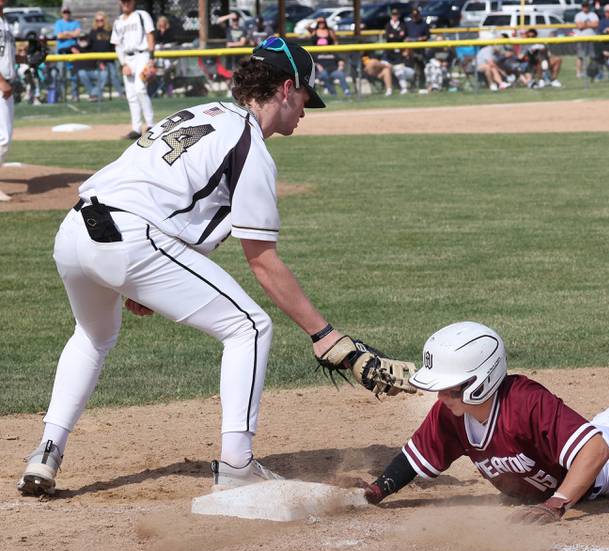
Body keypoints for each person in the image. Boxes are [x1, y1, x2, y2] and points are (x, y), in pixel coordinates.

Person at [16, 38, 415, 498]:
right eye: (306, 97)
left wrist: (139, 278)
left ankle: (46, 452)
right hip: (131, 238)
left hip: (75, 233)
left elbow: (162, 191)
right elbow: (262, 261)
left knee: (93, 335)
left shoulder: (204, 113)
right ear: (287, 89)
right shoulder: (250, 146)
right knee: (250, 327)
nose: (307, 109)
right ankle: (238, 464)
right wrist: (326, 337)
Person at [357, 322, 609, 523]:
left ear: (481, 379)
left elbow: (596, 452)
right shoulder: (452, 415)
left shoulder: (525, 402)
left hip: (602, 472)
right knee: (587, 432)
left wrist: (556, 504)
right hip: (580, 448)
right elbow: (413, 459)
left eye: (450, 388)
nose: (441, 398)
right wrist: (376, 491)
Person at [112, 0, 156, 140]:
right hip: (127, 59)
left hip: (142, 55)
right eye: (123, 1)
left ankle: (151, 125)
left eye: (128, 1)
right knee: (131, 95)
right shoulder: (118, 21)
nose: (125, 3)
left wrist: (151, 60)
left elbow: (150, 35)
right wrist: (123, 64)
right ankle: (136, 129)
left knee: (140, 89)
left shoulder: (142, 15)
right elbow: (117, 45)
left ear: (133, 2)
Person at [0, 0, 21, 202]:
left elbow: (6, 56)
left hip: (6, 84)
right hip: (1, 85)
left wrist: (25, 58)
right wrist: (2, 82)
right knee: (3, 138)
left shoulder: (5, 21)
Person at [309, 17, 349, 97]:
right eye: (320, 22)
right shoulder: (316, 52)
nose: (321, 24)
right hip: (323, 70)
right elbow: (307, 27)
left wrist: (340, 65)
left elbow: (340, 59)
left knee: (340, 74)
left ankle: (347, 93)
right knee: (323, 75)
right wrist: (315, 20)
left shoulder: (331, 50)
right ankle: (333, 93)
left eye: (323, 22)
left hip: (333, 69)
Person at [89, 12, 123, 100]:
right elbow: (91, 47)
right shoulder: (93, 32)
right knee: (103, 76)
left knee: (114, 76)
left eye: (101, 20)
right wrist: (98, 61)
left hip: (110, 59)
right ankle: (96, 94)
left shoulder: (110, 31)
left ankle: (122, 94)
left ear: (105, 20)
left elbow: (114, 45)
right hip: (99, 60)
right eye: (97, 20)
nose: (99, 22)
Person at [55, 5, 81, 101]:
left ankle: (75, 95)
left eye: (68, 12)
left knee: (74, 74)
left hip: (72, 50)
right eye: (64, 12)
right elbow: (59, 36)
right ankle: (62, 95)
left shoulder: (75, 22)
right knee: (61, 74)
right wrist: (71, 34)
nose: (66, 14)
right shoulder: (58, 23)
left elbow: (77, 34)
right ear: (62, 13)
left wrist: (66, 33)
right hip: (61, 51)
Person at [574, 0, 598, 78]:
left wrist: (584, 24)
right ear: (582, 7)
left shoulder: (593, 14)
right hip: (582, 38)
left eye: (586, 6)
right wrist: (590, 24)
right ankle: (579, 73)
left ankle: (590, 72)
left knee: (592, 56)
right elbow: (579, 26)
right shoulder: (578, 15)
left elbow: (596, 24)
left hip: (592, 38)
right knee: (580, 56)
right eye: (584, 6)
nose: (585, 7)